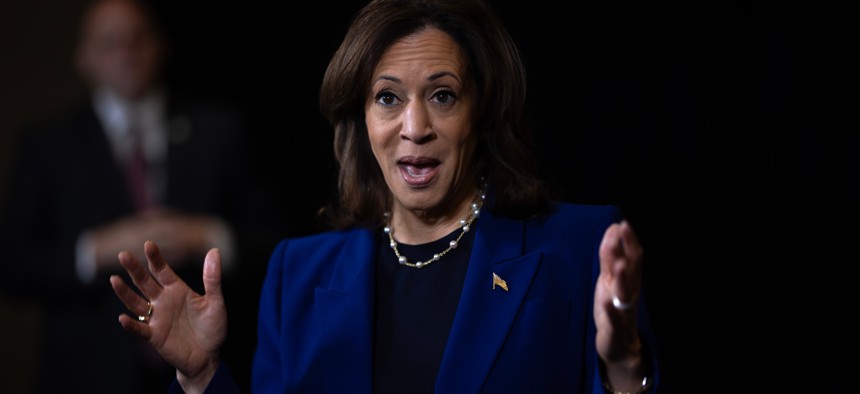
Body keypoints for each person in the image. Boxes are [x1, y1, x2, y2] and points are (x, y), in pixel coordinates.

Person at [109, 0, 663, 392]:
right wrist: (202, 377)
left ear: (482, 113)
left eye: (443, 96)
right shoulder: (297, 274)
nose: (414, 126)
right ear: (361, 120)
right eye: (388, 98)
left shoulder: (579, 246)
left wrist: (622, 364)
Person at [0, 0, 286, 392]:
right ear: (84, 57)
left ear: (160, 45)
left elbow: (275, 241)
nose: (126, 52)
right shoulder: (47, 143)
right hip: (86, 373)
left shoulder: (220, 131)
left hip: (209, 368)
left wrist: (206, 236)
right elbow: (14, 265)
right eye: (109, 42)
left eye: (138, 38)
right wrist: (97, 248)